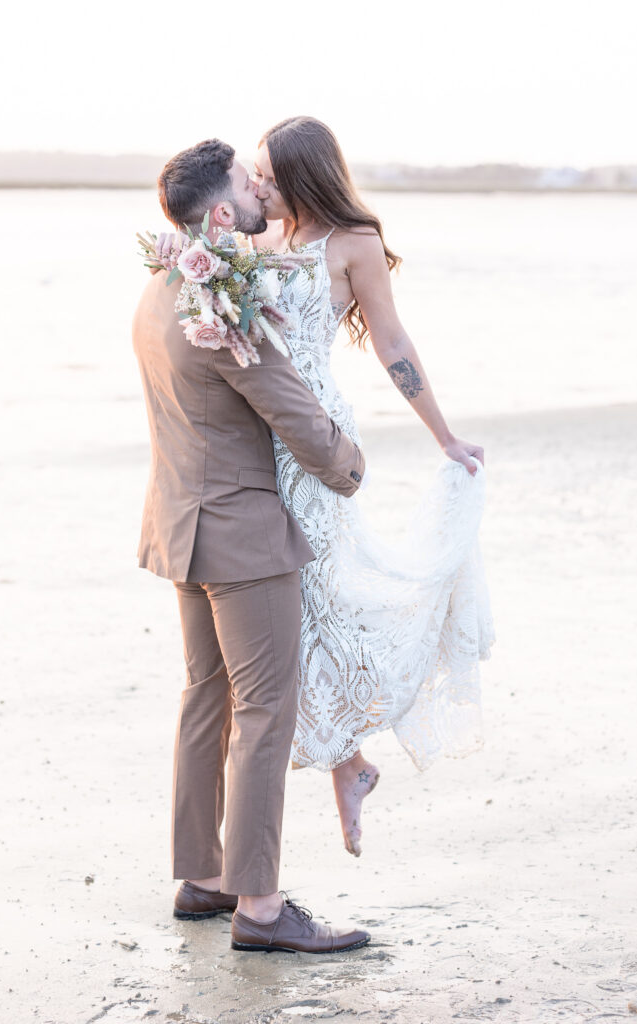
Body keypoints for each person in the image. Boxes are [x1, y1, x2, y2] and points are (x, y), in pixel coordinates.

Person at [133, 138, 370, 953]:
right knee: (265, 711)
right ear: (224, 212)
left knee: (206, 696)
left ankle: (201, 876)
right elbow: (289, 408)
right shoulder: (218, 305)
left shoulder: (162, 290)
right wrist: (348, 466)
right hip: (241, 537)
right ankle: (262, 909)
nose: (260, 187)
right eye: (246, 180)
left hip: (180, 524)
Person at [252, 116, 495, 857]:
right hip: (255, 437)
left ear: (303, 173)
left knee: (322, 594)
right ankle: (349, 764)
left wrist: (444, 436)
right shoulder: (261, 237)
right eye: (253, 173)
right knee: (291, 603)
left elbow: (391, 342)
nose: (257, 185)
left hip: (315, 441)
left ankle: (346, 763)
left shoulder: (351, 244)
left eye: (267, 174)